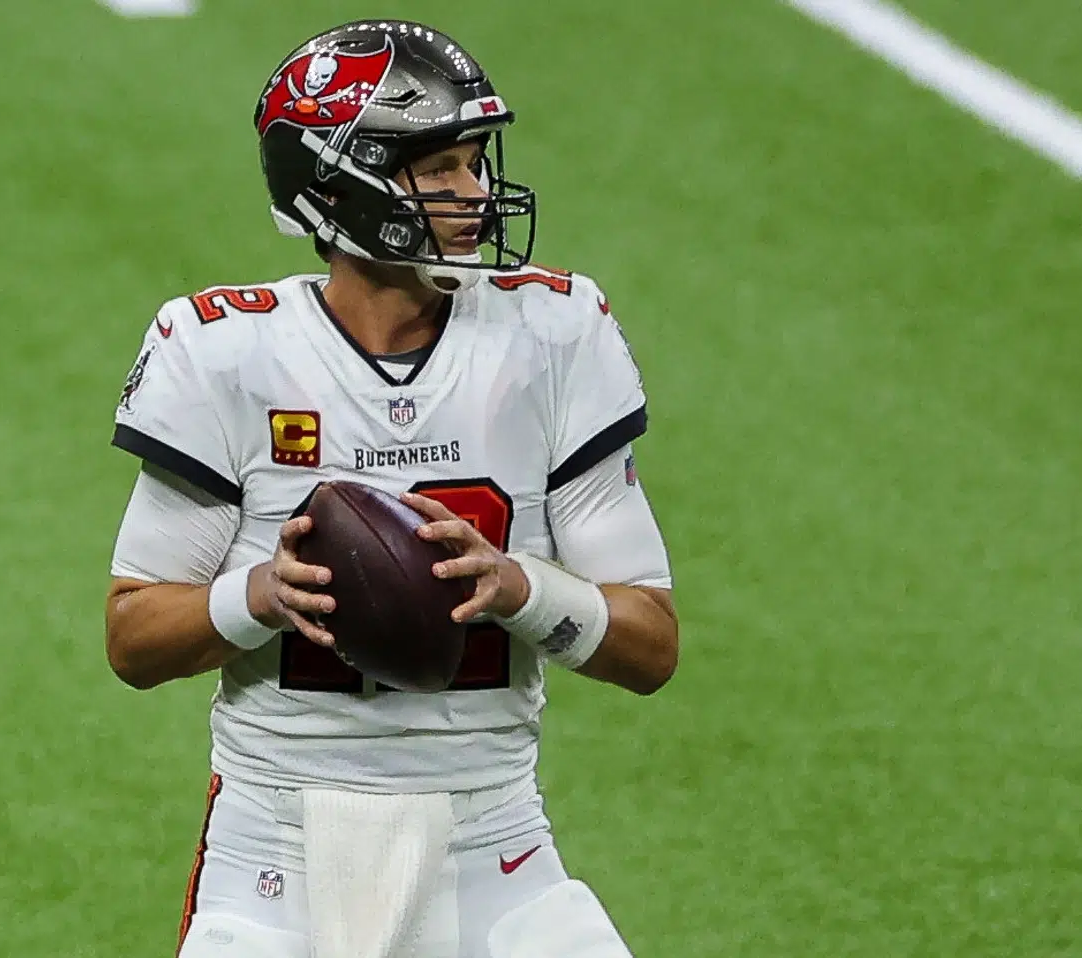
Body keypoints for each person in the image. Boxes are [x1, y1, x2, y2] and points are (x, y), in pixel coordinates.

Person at [105, 18, 678, 958]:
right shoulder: (224, 353)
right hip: (276, 851)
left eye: (474, 163)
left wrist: (522, 589)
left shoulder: (554, 336)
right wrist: (263, 595)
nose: (475, 193)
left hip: (496, 840)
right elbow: (133, 640)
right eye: (439, 169)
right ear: (337, 187)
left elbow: (651, 648)